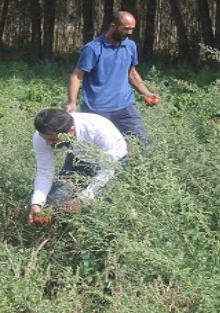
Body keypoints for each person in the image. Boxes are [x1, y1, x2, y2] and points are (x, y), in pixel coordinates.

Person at [66, 11, 158, 145]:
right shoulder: (93, 49)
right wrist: (72, 103)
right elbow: (76, 76)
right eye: (126, 28)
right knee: (96, 149)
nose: (130, 32)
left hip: (125, 106)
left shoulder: (130, 46)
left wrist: (146, 93)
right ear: (113, 26)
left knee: (142, 142)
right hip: (97, 109)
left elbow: (131, 72)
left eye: (132, 28)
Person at [28, 108, 128, 223]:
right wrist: (37, 203)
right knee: (53, 201)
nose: (47, 143)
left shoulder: (98, 130)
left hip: (113, 162)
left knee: (104, 209)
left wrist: (82, 199)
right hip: (78, 159)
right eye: (44, 138)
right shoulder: (43, 135)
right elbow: (44, 170)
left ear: (72, 130)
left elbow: (107, 169)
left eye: (52, 139)